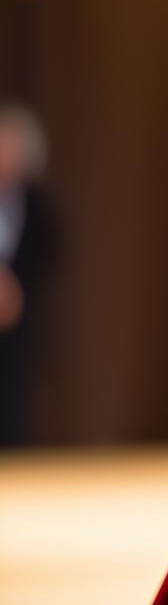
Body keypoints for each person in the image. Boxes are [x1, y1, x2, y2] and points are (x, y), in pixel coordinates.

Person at [0, 101, 51, 446]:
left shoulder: (38, 205)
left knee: (14, 393)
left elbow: (51, 253)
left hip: (19, 326)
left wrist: (17, 289)